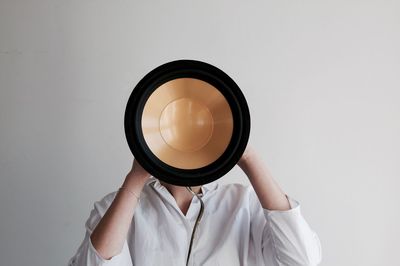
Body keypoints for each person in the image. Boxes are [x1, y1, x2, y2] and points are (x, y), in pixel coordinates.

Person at [68, 146, 322, 266]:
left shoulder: (245, 203)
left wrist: (247, 156)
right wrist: (136, 177)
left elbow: (302, 260)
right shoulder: (117, 206)